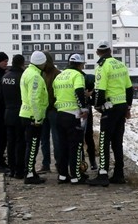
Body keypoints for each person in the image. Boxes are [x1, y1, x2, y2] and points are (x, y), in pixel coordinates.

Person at [88, 42, 133, 186]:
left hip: (110, 107)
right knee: (117, 141)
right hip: (122, 106)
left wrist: (97, 105)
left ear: (97, 52)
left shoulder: (102, 67)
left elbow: (100, 90)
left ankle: (103, 173)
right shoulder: (120, 65)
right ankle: (119, 174)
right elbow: (129, 88)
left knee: (104, 140)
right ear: (110, 51)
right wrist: (128, 107)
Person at [52, 54, 90, 184]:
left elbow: (55, 94)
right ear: (80, 65)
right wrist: (83, 109)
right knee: (75, 146)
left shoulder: (59, 76)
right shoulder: (77, 75)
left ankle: (63, 175)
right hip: (73, 115)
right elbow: (79, 91)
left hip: (59, 114)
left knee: (62, 146)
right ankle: (75, 176)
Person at [19, 50, 48, 184]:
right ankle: (29, 174)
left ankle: (31, 171)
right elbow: (34, 99)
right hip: (32, 116)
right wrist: (38, 118)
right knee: (33, 146)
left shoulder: (27, 72)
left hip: (25, 113)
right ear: (41, 63)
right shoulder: (35, 76)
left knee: (30, 145)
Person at [1, 55, 26, 178]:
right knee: (20, 142)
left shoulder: (5, 77)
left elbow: (1, 95)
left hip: (8, 112)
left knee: (10, 143)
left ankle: (12, 169)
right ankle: (19, 170)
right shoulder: (22, 77)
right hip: (20, 113)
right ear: (22, 63)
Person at [38, 52, 61, 174]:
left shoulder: (57, 74)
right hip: (44, 110)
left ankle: (58, 163)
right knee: (44, 139)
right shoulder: (41, 74)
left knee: (56, 139)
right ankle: (45, 164)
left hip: (53, 110)